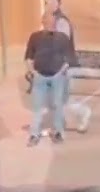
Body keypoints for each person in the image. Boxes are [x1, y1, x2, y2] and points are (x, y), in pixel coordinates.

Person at [23, 11, 73, 145]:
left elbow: (69, 58)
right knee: (38, 107)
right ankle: (34, 134)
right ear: (42, 21)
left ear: (55, 22)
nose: (49, 22)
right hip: (39, 75)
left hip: (57, 75)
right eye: (46, 19)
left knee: (57, 104)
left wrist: (61, 71)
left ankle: (58, 132)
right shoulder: (35, 37)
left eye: (52, 20)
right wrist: (32, 71)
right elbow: (28, 56)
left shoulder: (62, 37)